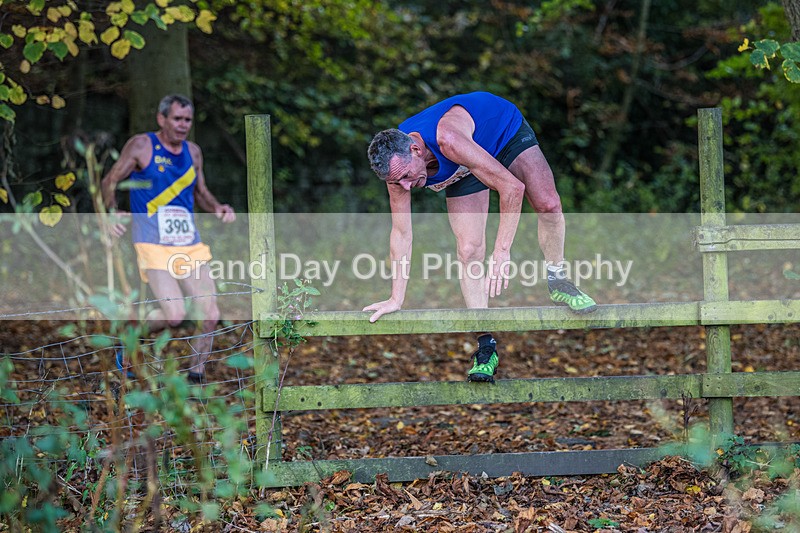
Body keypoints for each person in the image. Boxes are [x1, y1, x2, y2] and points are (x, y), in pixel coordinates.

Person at [365, 92, 596, 383]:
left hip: (502, 133)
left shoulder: (448, 138)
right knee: (469, 249)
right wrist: (396, 297)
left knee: (548, 204)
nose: (406, 187)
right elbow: (401, 233)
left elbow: (512, 188)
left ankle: (558, 278)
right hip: (466, 166)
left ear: (415, 149)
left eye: (408, 176)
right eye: (396, 182)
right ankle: (486, 345)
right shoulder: (398, 174)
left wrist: (501, 252)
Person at [101, 94, 235, 383]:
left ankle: (195, 378)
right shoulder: (142, 145)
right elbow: (109, 181)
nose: (183, 125)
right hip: (153, 244)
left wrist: (217, 208)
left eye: (187, 119)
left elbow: (200, 192)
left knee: (210, 313)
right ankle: (129, 337)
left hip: (190, 243)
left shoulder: (194, 152)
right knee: (174, 314)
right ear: (162, 119)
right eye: (177, 118)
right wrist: (111, 212)